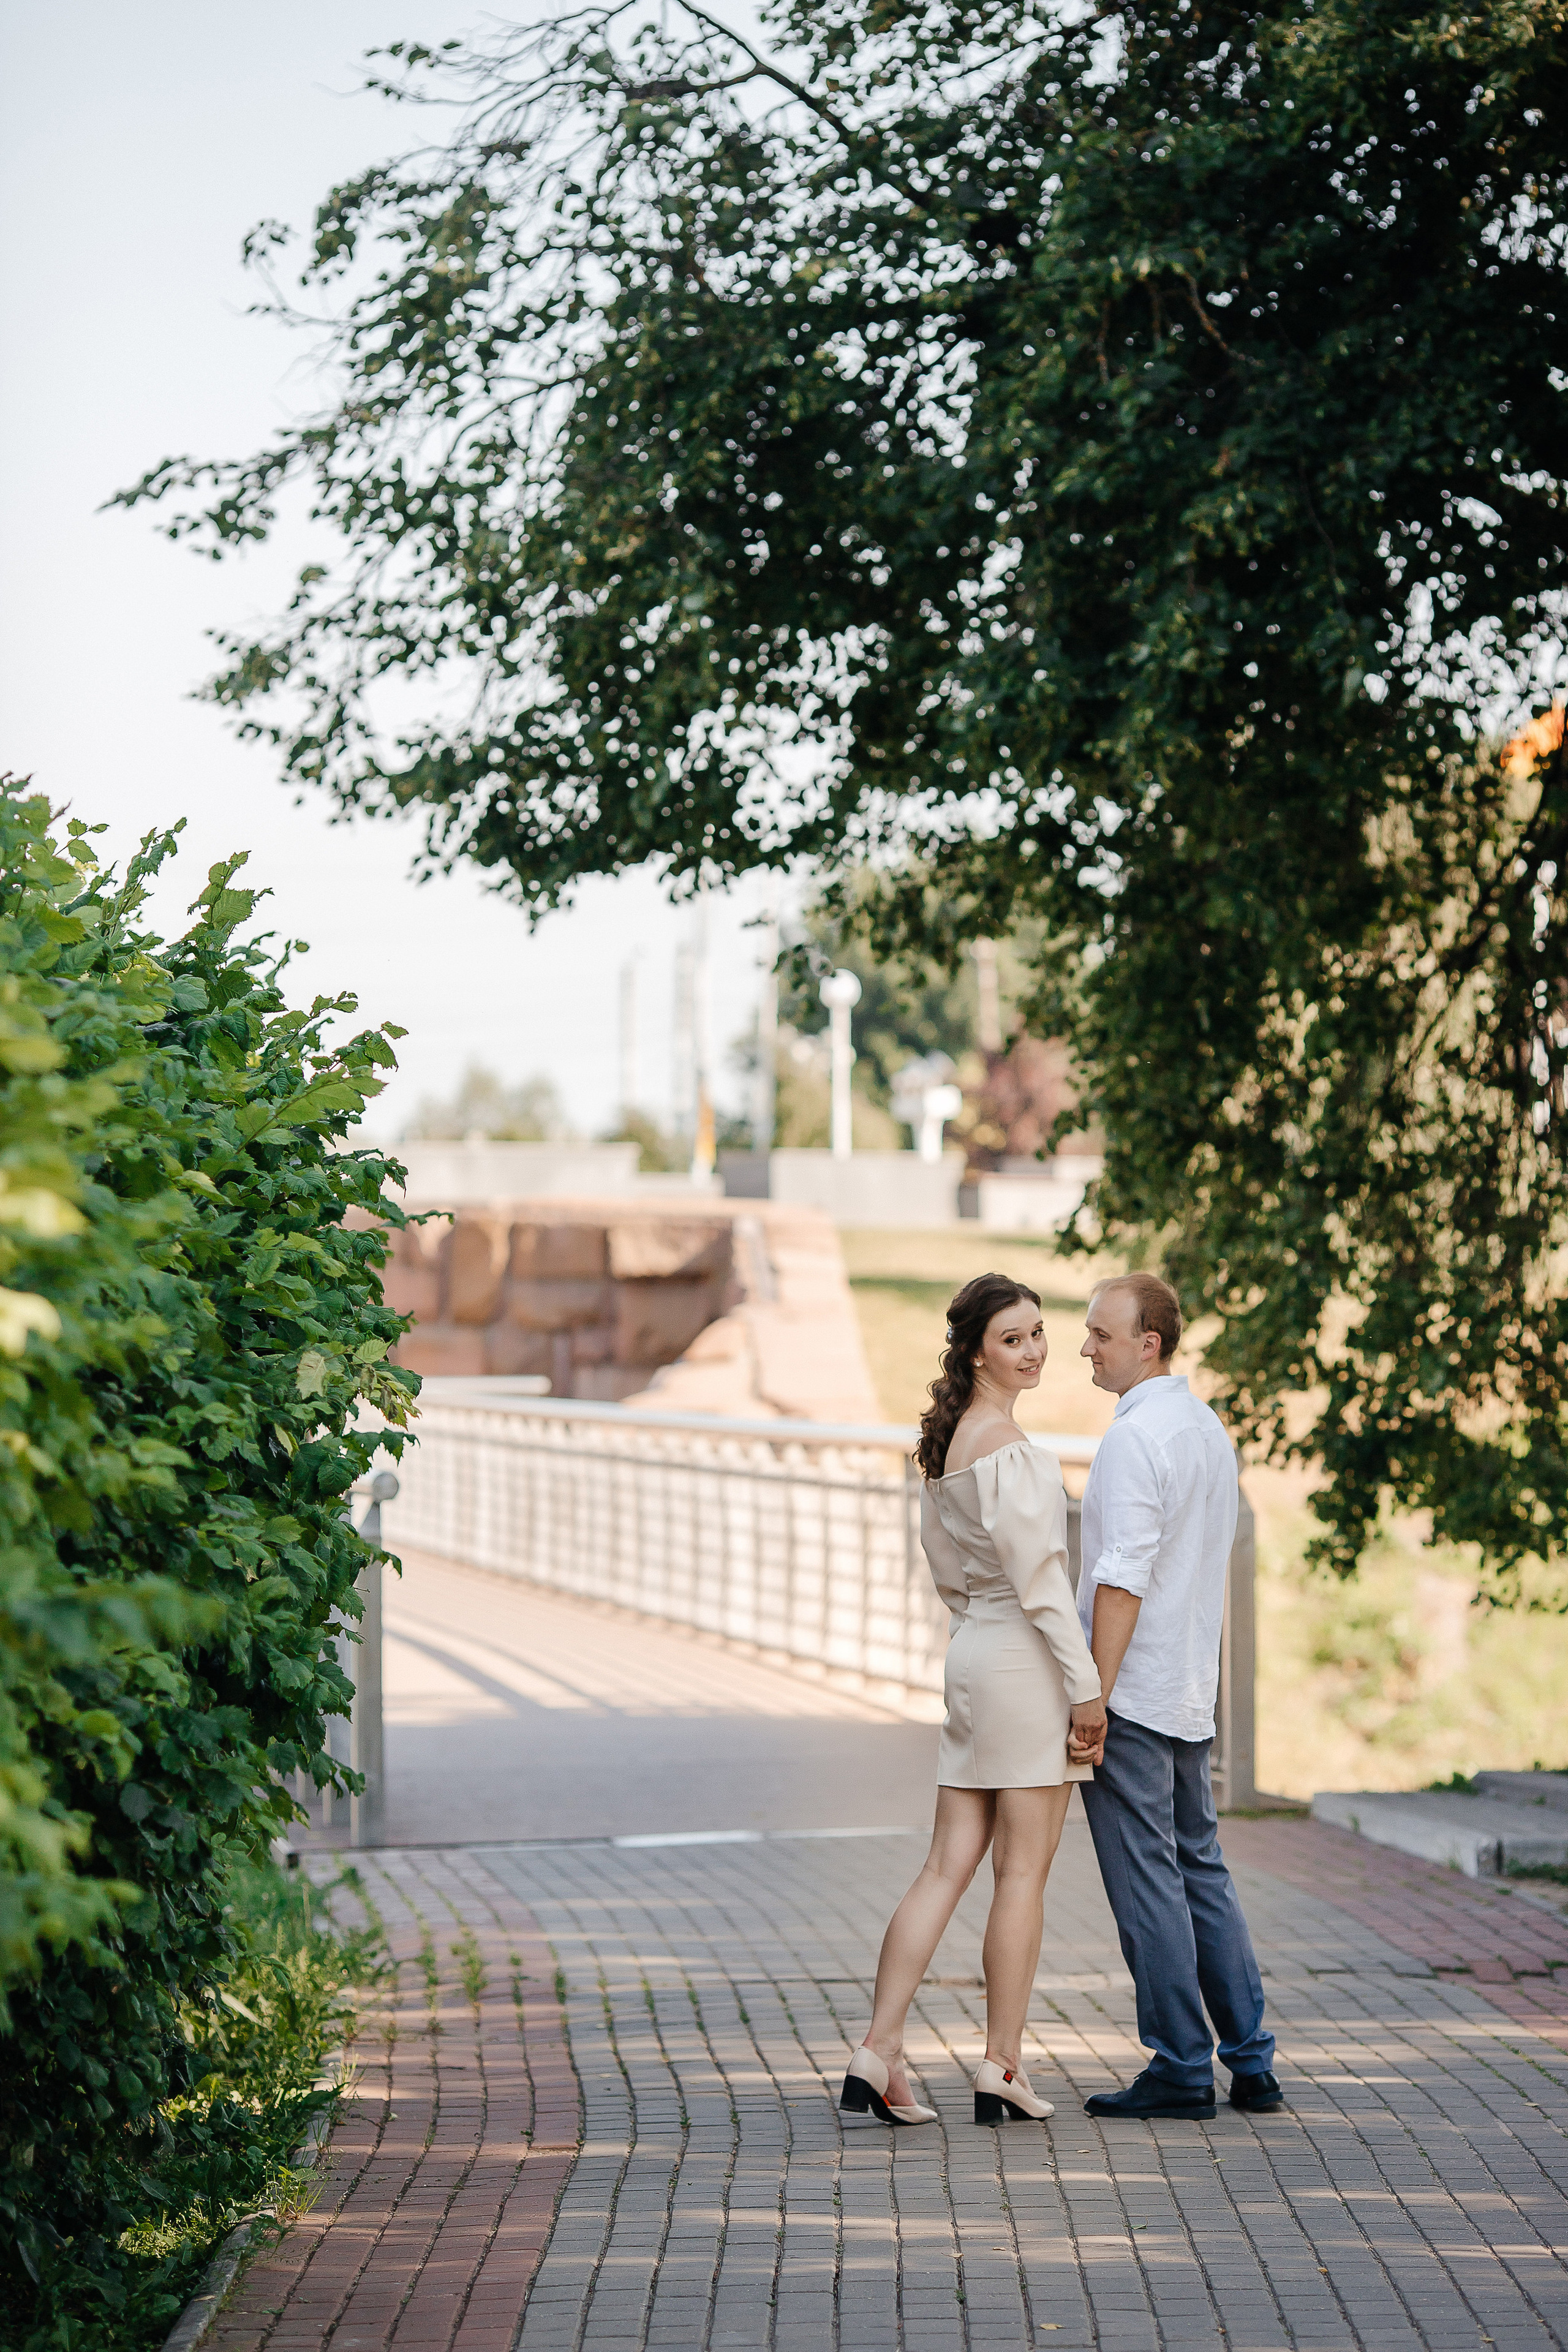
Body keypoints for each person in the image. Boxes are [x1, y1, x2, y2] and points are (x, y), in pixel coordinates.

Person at [841, 1273, 1107, 2130]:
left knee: (945, 1865)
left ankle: (877, 2049)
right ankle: (1001, 2064)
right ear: (975, 1351)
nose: (1032, 1351)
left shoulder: (949, 1448)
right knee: (1021, 1873)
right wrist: (1087, 1687)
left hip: (972, 1657)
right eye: (1013, 1338)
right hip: (1026, 1665)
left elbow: (951, 1578)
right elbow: (1042, 1586)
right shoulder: (1014, 1453)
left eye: (1038, 1334)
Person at [1069, 1272, 1281, 2119]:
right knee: (1202, 1865)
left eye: (1100, 1335)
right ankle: (1252, 2062)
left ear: (1147, 1343)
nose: (1086, 1347)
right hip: (1192, 1687)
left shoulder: (1133, 1441)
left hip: (1136, 1691)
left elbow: (1120, 1578)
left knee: (1148, 1877)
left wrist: (1094, 1694)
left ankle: (1183, 2066)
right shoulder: (1206, 1429)